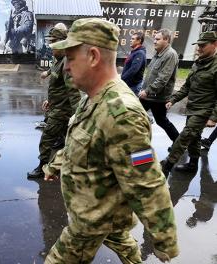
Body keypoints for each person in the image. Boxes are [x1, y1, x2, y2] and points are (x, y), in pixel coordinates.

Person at [43, 18, 178, 263]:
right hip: (100, 206)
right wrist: (56, 164)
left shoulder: (123, 114)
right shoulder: (92, 96)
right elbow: (79, 139)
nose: (66, 67)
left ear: (93, 56)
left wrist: (164, 239)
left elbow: (147, 180)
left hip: (91, 219)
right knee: (118, 236)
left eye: (71, 58)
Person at [27, 24, 81, 179]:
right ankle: (70, 164)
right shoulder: (58, 59)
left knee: (46, 140)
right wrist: (50, 101)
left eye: (53, 42)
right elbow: (60, 87)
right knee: (67, 139)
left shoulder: (67, 63)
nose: (50, 46)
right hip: (57, 106)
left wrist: (78, 116)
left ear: (63, 42)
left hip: (62, 111)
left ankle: (42, 167)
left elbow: (74, 93)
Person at [161, 31, 217, 176]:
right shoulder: (198, 63)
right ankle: (192, 165)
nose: (199, 49)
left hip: (203, 110)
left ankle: (167, 166)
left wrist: (213, 117)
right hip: (192, 108)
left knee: (184, 137)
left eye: (203, 46)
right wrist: (173, 100)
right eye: (198, 45)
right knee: (195, 138)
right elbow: (187, 86)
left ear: (214, 44)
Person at [139, 29, 179, 147]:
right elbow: (151, 75)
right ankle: (136, 142)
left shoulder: (170, 55)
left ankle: (178, 144)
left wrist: (147, 91)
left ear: (166, 40)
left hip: (157, 97)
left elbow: (163, 78)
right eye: (154, 39)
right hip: (148, 95)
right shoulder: (159, 53)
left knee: (161, 121)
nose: (154, 41)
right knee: (136, 115)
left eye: (157, 39)